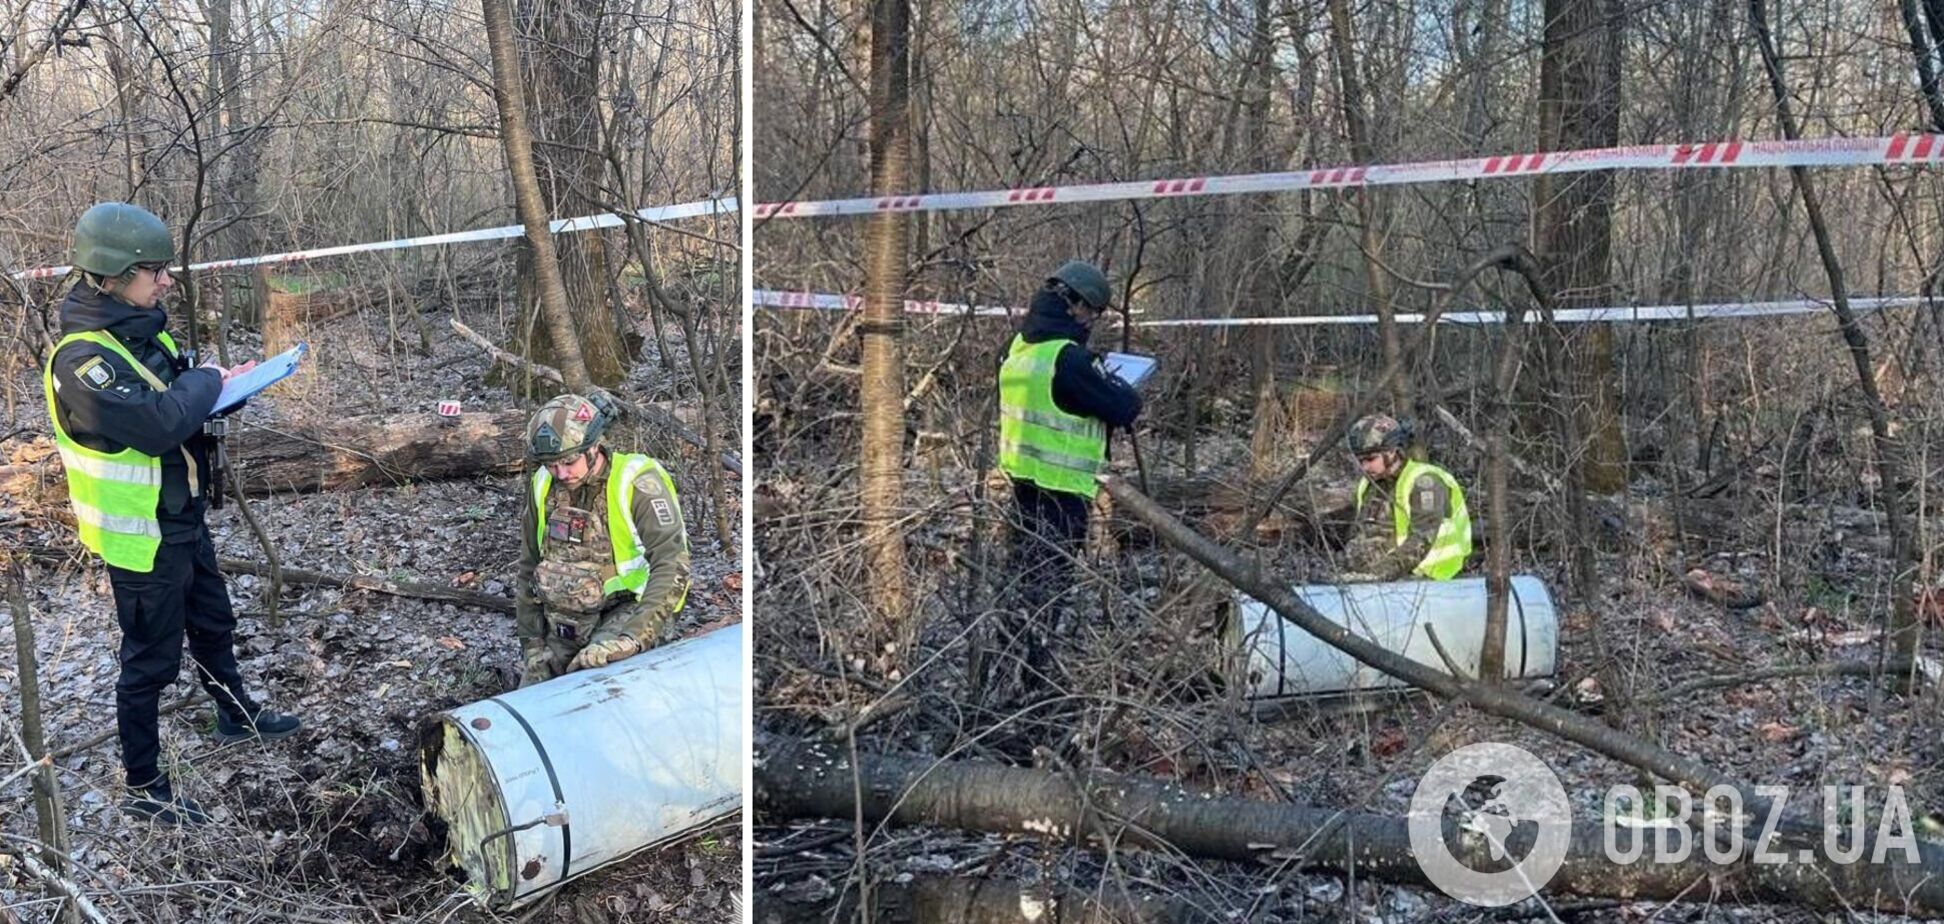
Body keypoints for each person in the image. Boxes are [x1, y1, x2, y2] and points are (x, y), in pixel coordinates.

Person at [43, 201, 302, 827]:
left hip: (181, 515)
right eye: (153, 271)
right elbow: (160, 422)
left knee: (213, 622)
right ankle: (144, 784)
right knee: (150, 662)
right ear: (113, 275)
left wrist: (220, 385)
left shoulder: (141, 331)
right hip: (141, 537)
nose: (165, 281)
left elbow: (179, 394)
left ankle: (235, 716)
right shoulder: (83, 361)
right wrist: (206, 383)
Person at [993, 259, 1142, 682]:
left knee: (1017, 581)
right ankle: (1032, 680)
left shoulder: (1016, 347)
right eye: (1092, 312)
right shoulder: (1069, 360)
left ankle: (1003, 666)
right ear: (1075, 305)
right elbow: (1125, 407)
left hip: (1022, 486)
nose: (1092, 321)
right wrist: (1115, 383)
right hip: (1062, 495)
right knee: (1048, 590)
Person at [516, 393, 691, 687]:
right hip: (565, 620)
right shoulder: (543, 484)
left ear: (594, 446)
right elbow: (528, 566)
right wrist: (531, 642)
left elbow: (673, 563)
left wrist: (633, 638)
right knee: (532, 695)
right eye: (551, 464)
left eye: (569, 461)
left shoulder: (635, 482)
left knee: (595, 688)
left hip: (629, 613)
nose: (561, 473)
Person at [1339, 414, 1473, 582]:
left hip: (1432, 579)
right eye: (1360, 461)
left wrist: (1379, 575)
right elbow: (1362, 534)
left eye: (1371, 459)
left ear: (1391, 450)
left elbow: (1423, 538)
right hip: (1386, 582)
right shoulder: (1367, 485)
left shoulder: (1425, 482)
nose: (1365, 467)